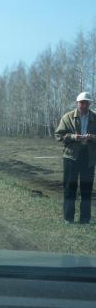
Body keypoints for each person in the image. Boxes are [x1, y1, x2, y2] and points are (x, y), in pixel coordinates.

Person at [55, 91, 96, 224]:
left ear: (90, 103)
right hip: (71, 157)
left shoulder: (95, 117)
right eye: (82, 103)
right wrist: (73, 137)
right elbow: (58, 135)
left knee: (86, 188)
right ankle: (68, 218)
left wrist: (92, 137)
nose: (84, 105)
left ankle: (85, 219)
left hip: (88, 157)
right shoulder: (68, 117)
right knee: (70, 187)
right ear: (77, 103)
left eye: (87, 103)